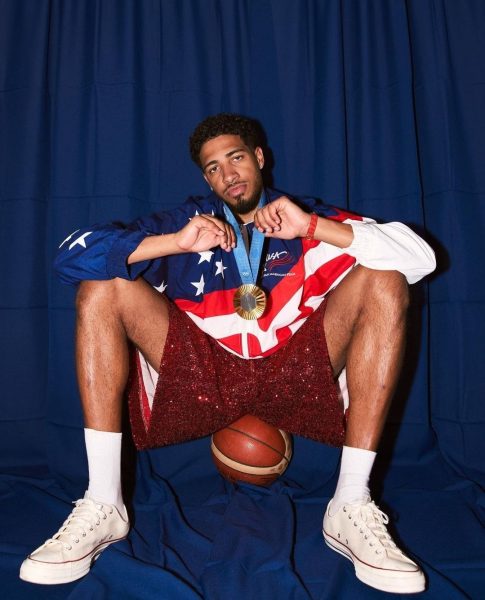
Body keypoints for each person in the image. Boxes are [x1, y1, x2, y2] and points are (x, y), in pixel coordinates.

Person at [20, 113, 435, 593]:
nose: (227, 175)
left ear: (259, 158)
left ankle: (350, 502)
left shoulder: (303, 215)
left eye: (235, 158)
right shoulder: (186, 222)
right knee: (99, 287)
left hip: (297, 372)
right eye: (213, 167)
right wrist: (174, 243)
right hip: (201, 375)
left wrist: (315, 228)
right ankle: (103, 501)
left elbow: (421, 259)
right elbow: (69, 257)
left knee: (386, 278)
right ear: (205, 177)